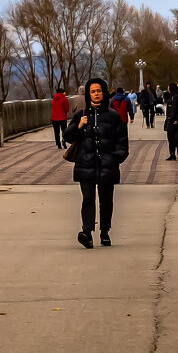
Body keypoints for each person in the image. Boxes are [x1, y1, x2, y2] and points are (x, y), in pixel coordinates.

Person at [64, 78, 129, 249]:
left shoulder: (113, 116)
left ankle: (105, 231)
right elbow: (67, 137)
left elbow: (122, 142)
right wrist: (79, 126)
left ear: (104, 92)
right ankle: (87, 232)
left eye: (99, 91)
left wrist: (116, 157)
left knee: (106, 200)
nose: (96, 94)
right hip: (86, 163)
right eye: (92, 91)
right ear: (88, 94)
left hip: (107, 164)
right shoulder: (81, 115)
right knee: (88, 198)